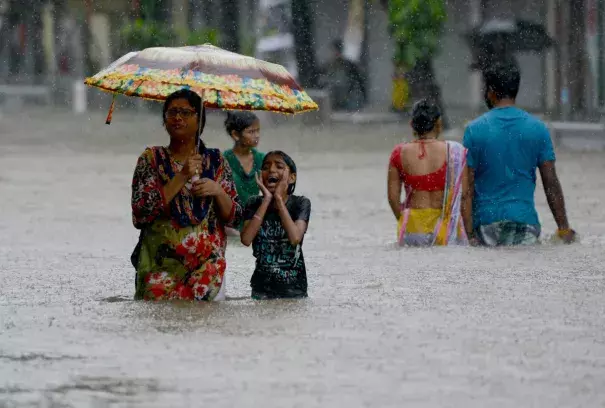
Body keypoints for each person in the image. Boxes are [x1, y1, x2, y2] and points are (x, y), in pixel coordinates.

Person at [130, 89, 242, 301]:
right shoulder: (151, 159)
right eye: (172, 112)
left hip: (208, 269)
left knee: (204, 328)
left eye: (185, 112)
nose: (178, 118)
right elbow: (141, 214)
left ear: (200, 120)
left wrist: (217, 191)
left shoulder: (216, 161)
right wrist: (182, 176)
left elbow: (235, 218)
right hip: (159, 266)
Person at [463, 60, 576, 246]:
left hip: (485, 225)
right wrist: (563, 228)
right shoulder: (538, 129)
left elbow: (466, 190)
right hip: (525, 224)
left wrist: (468, 236)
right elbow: (551, 183)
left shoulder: (474, 130)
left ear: (490, 91)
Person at [387, 99, 471, 246]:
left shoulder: (399, 153)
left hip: (413, 227)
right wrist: (470, 233)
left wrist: (404, 219)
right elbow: (464, 196)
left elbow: (393, 198)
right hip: (446, 228)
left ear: (411, 124)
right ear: (439, 123)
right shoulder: (454, 152)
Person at [240, 151, 311, 299]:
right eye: (266, 167)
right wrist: (266, 200)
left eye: (279, 166)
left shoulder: (300, 203)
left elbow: (295, 237)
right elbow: (246, 239)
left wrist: (278, 199)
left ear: (292, 178)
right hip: (261, 289)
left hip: (294, 290)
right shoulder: (254, 203)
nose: (271, 170)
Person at [222, 111, 265, 232]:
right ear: (235, 135)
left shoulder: (262, 160)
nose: (257, 135)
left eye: (258, 130)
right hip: (230, 225)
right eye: (251, 132)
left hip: (252, 221)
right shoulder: (223, 160)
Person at [319, 39, 366, 111]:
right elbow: (321, 80)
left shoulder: (348, 65)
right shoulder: (328, 65)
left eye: (333, 51)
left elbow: (358, 82)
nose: (332, 54)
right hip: (334, 100)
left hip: (347, 99)